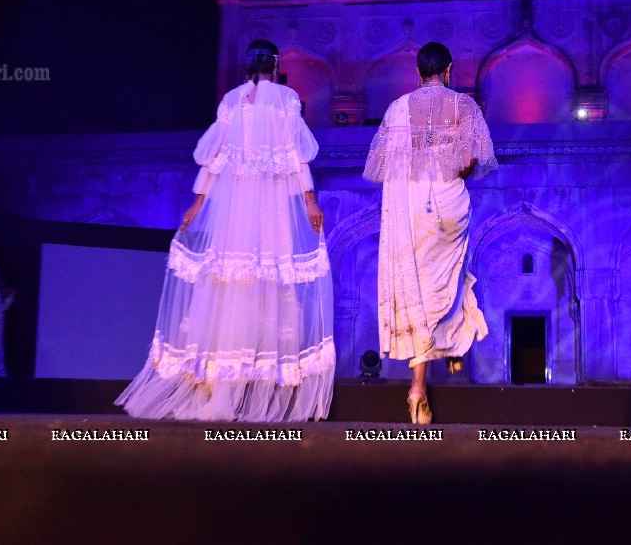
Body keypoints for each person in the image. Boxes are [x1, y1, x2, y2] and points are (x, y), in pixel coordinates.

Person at [117, 39, 335, 422]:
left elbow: (213, 157)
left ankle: (225, 388)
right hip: (268, 209)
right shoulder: (286, 99)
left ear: (248, 66)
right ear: (276, 64)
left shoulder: (232, 101)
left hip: (234, 211)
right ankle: (245, 389)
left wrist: (199, 202)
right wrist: (309, 199)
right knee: (263, 284)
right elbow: (296, 155)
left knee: (229, 284)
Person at [363, 42, 497, 424]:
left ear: (417, 72)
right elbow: (471, 159)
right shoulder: (463, 106)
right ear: (449, 70)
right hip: (447, 204)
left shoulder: (397, 109)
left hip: (410, 209)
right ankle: (453, 355)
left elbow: (386, 165)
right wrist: (453, 175)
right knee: (448, 283)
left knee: (416, 293)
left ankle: (418, 385)